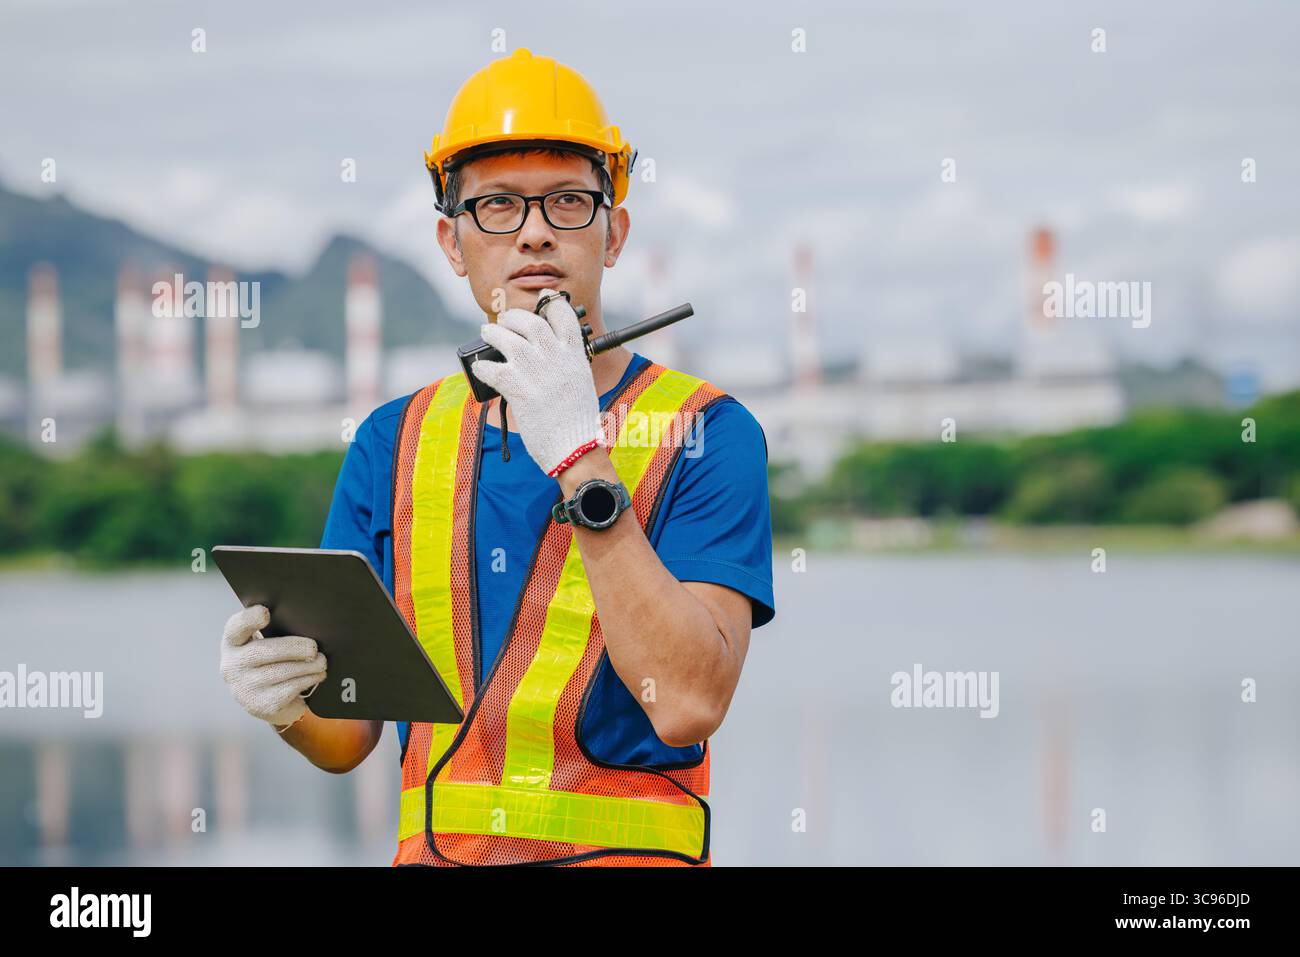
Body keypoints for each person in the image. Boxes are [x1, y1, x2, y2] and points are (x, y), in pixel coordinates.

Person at [219, 48, 775, 866]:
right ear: (452, 241)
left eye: (569, 202)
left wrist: (580, 453)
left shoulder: (705, 429)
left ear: (614, 231)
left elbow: (688, 701)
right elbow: (347, 738)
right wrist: (285, 701)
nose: (536, 231)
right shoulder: (392, 441)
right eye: (498, 208)